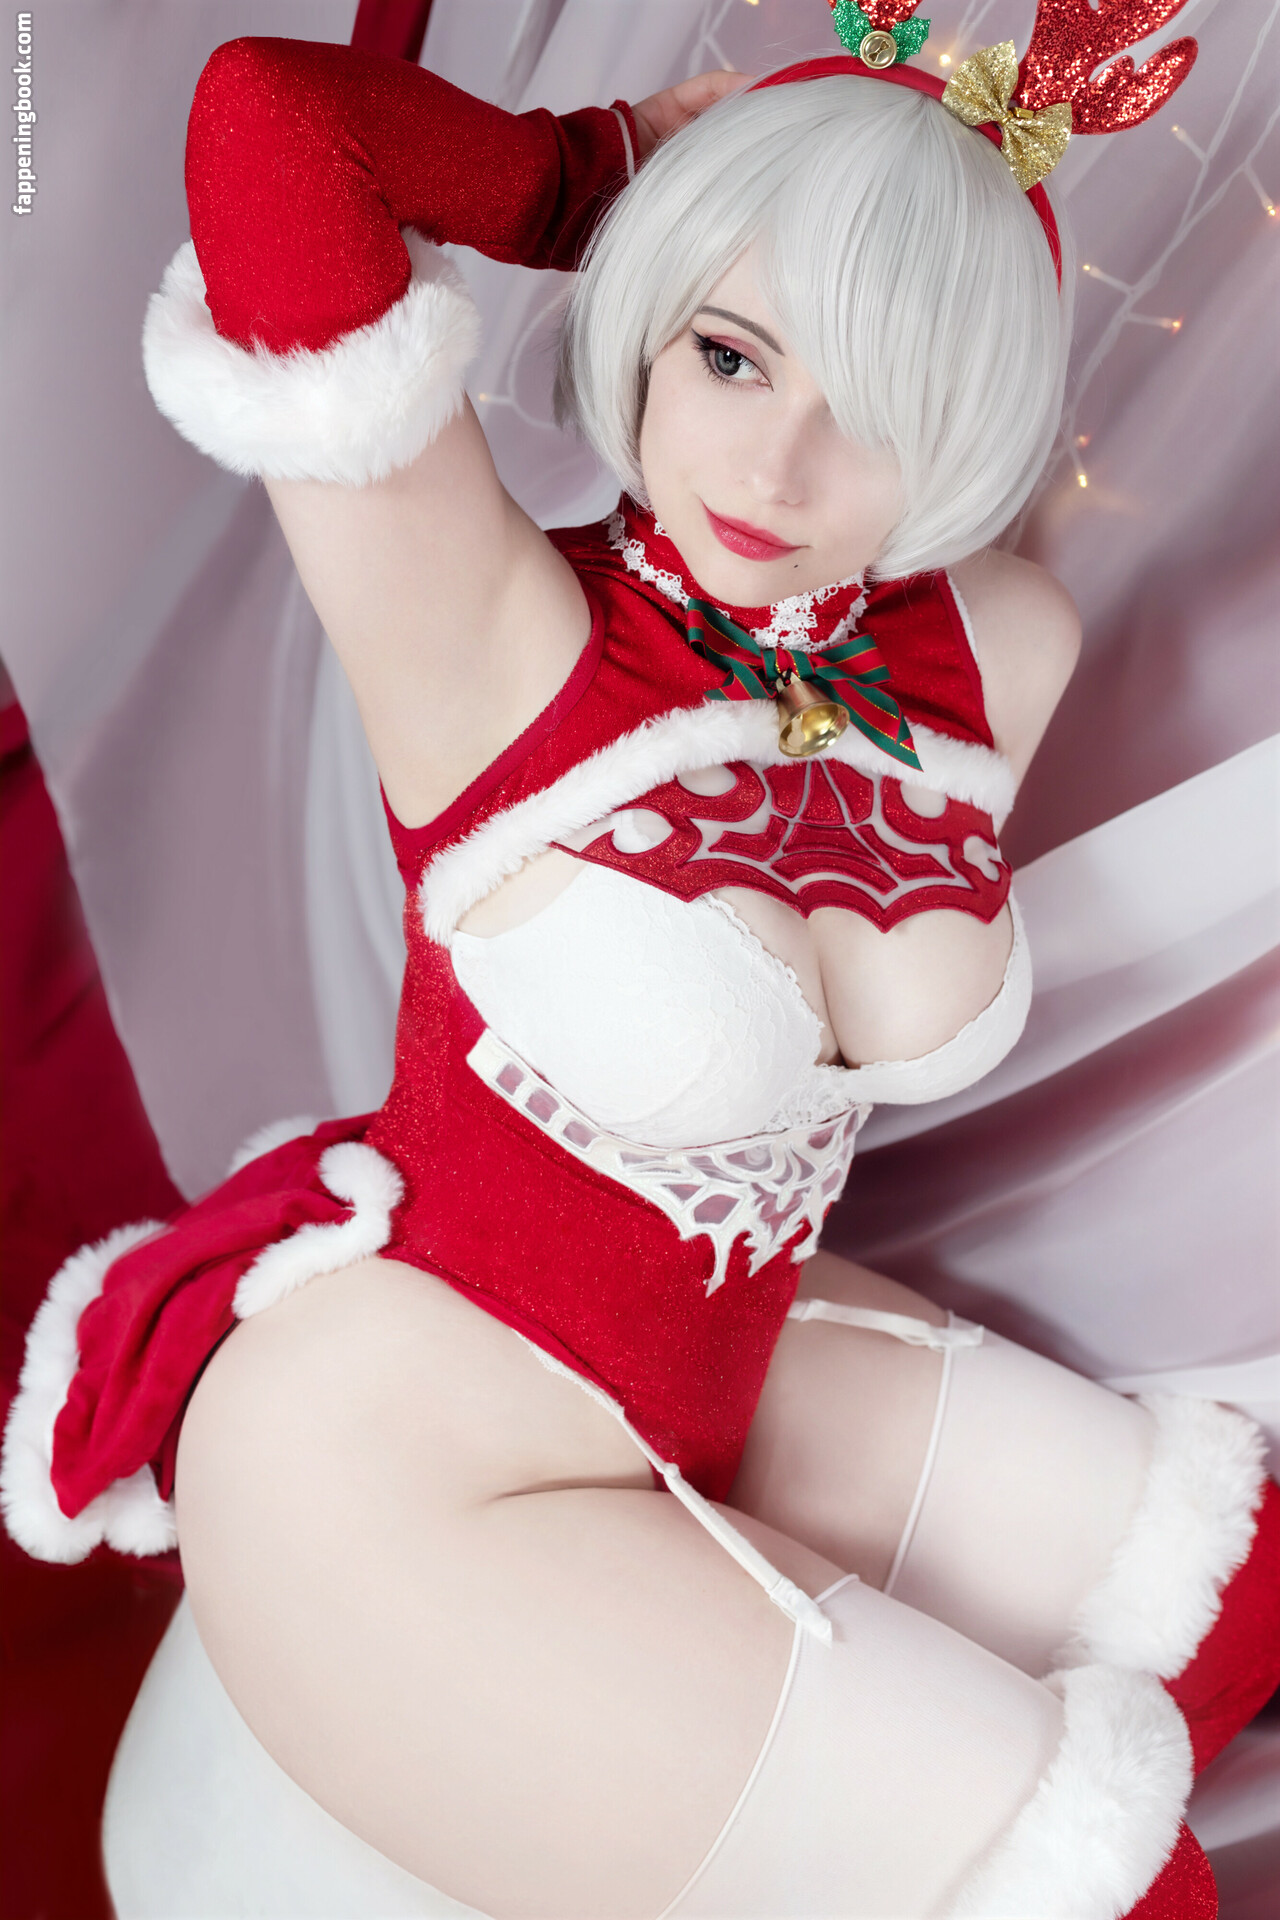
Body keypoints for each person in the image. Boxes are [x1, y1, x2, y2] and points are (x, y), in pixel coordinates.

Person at [4, 5, 1277, 1914]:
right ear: (656, 317)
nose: (777, 464)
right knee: (1110, 1880)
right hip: (403, 1462)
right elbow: (270, 124)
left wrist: (887, 216)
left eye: (878, 408)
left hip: (714, 1375)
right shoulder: (494, 629)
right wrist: (600, 170)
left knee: (1226, 1590)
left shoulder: (990, 654)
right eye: (730, 353)